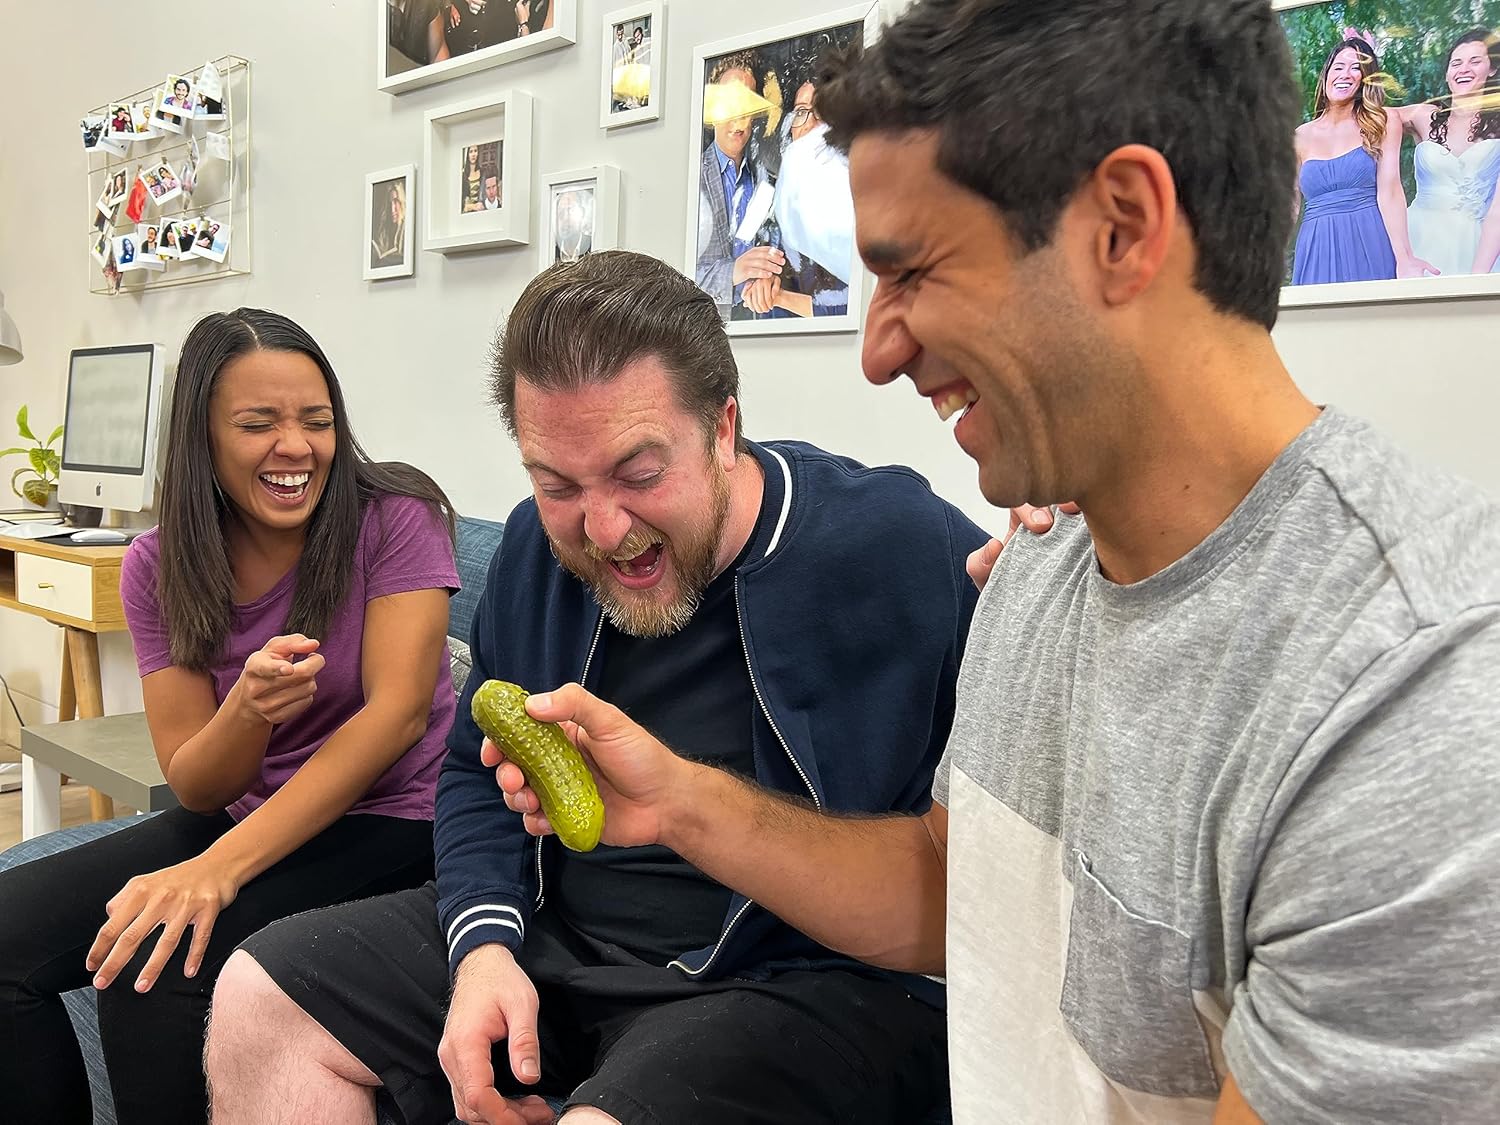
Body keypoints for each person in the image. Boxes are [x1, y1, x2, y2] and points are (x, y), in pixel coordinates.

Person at [482, 2, 1500, 1122]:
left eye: (911, 272)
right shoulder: (1040, 562)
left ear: (1123, 227)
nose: (875, 351)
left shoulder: (1421, 690)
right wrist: (680, 805)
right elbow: (955, 885)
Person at [203, 251, 989, 1125]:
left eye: (640, 475)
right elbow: (471, 770)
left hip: (792, 981)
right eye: (557, 485)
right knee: (257, 999)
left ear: (724, 427)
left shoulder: (895, 544)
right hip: (558, 940)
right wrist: (484, 948)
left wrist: (1051, 551)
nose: (605, 528)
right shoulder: (537, 557)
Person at [0, 308, 460, 1124]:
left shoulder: (397, 517)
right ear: (202, 437)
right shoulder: (158, 564)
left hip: (399, 823)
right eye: (259, 424)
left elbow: (393, 718)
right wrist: (245, 711)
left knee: (156, 958)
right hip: (245, 816)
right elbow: (197, 781)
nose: (296, 447)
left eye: (316, 422)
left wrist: (221, 868)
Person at [1291, 37, 1431, 284]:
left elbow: (1390, 192)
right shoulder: (1300, 136)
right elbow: (1288, 206)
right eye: (1339, 66)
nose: (1346, 74)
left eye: (1356, 68)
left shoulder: (1382, 121)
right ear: (1325, 75)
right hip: (1316, 244)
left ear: (1365, 80)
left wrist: (1405, 257)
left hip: (1369, 238)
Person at [1394, 28, 1500, 277]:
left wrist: (1479, 275)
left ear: (1492, 69)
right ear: (1447, 73)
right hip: (1419, 236)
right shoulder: (1423, 116)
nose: (1464, 69)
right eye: (1456, 63)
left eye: (1475, 61)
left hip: (1479, 245)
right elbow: (1373, 118)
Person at [695, 55, 787, 320]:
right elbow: (671, 275)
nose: (739, 116)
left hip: (758, 327)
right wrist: (734, 271)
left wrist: (767, 279)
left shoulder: (766, 179)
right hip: (702, 335)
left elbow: (773, 251)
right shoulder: (692, 178)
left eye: (746, 104)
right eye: (729, 103)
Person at [372, 181, 407, 266]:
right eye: (390, 203)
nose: (392, 209)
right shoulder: (387, 230)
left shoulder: (406, 229)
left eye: (396, 201)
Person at [552, 189, 590, 261]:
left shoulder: (593, 249)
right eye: (561, 212)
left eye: (570, 211)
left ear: (582, 213)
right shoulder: (551, 251)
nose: (565, 218)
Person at [461, 145, 484, 213]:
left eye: (475, 151)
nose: (473, 154)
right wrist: (471, 206)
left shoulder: (482, 172)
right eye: (471, 152)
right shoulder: (463, 176)